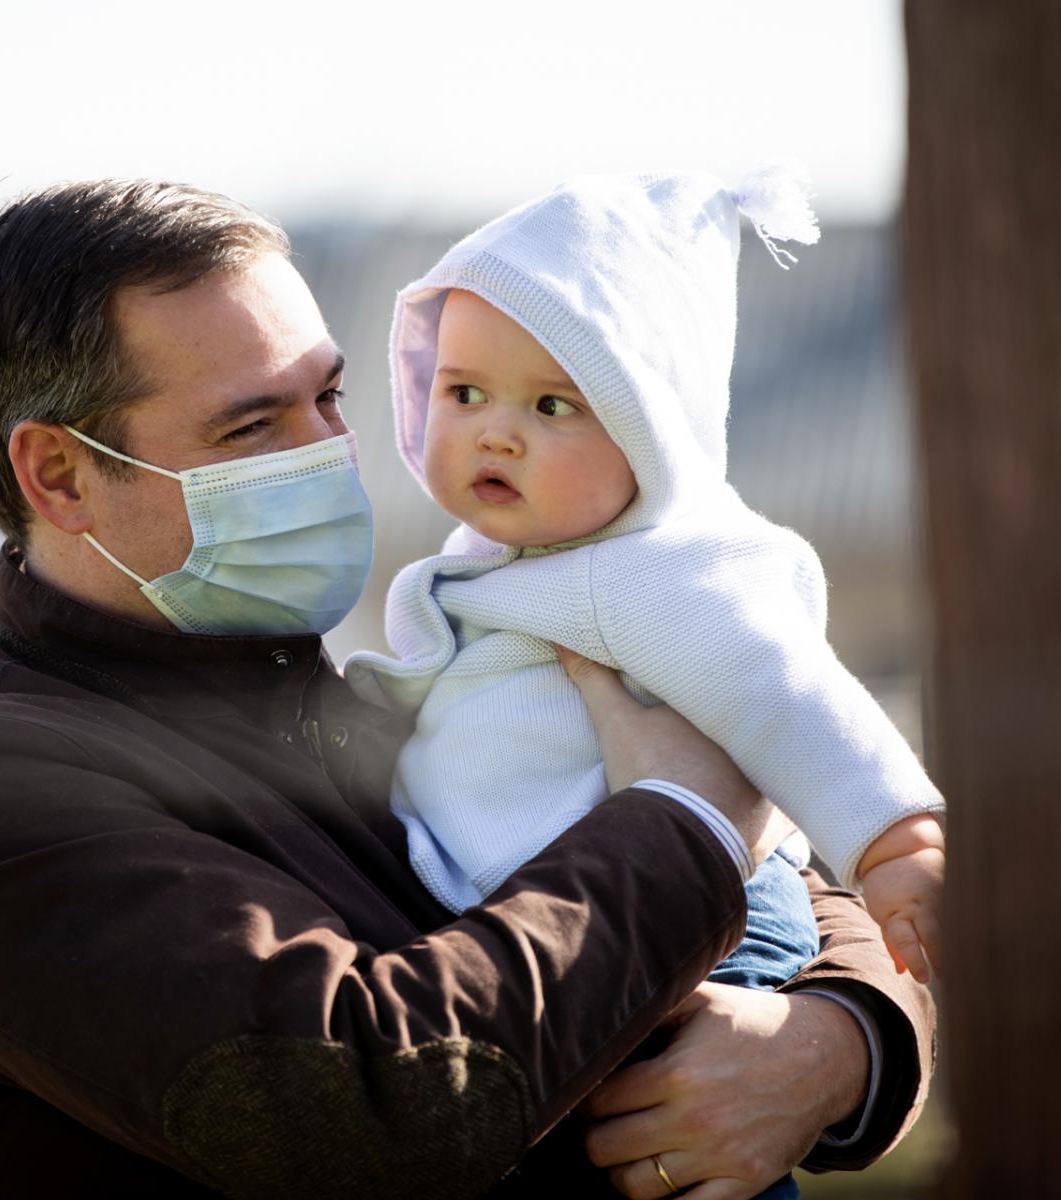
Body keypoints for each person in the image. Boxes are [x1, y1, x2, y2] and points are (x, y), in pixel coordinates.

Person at [0, 179, 935, 1199]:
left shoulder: (357, 700)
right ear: (59, 474)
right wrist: (686, 823)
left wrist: (838, 1037)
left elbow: (777, 846)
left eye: (327, 398)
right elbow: (369, 1108)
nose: (328, 453)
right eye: (252, 427)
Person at [344, 170, 946, 997]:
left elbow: (783, 690)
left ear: (652, 432)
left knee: (676, 1098)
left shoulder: (654, 569)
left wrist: (892, 842)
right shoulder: (502, 555)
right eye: (464, 393)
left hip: (703, 924)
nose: (496, 434)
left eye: (552, 407)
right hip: (580, 905)